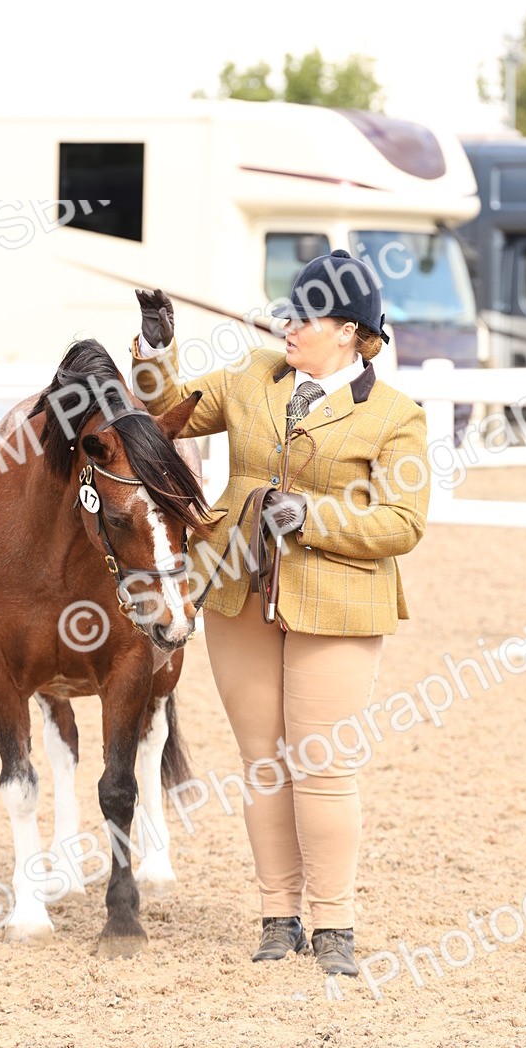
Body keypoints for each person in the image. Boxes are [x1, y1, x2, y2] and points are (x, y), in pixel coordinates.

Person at [130, 249, 431, 976]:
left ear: (353, 333)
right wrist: (156, 344)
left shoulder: (395, 417)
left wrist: (313, 516)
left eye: (310, 314)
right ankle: (278, 915)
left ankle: (334, 926)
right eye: (290, 310)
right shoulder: (248, 382)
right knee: (263, 766)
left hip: (337, 603)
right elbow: (159, 406)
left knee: (322, 766)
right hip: (237, 596)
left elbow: (402, 523)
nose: (290, 324)